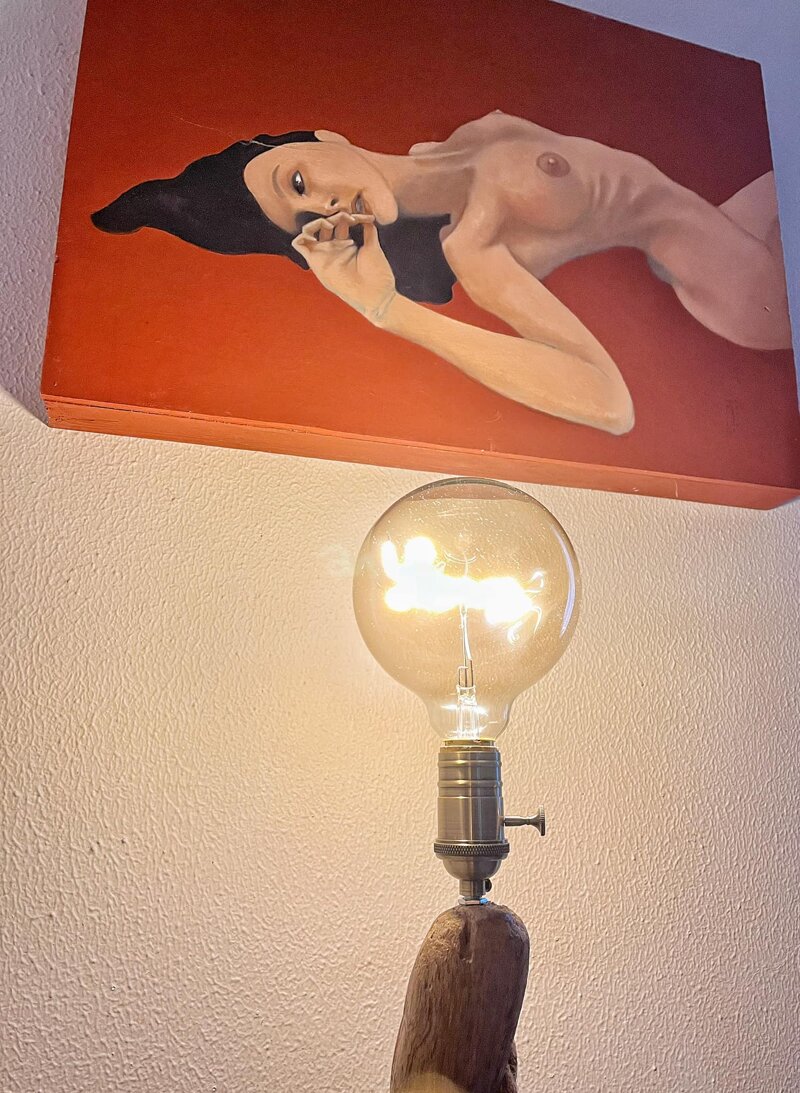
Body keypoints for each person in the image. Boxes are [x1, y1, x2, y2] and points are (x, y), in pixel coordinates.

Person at [92, 114, 792, 435]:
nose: (322, 203)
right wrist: (388, 310)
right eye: (302, 218)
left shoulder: (449, 146)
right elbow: (611, 404)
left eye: (298, 179)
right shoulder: (474, 246)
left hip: (736, 212)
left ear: (325, 136)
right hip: (742, 286)